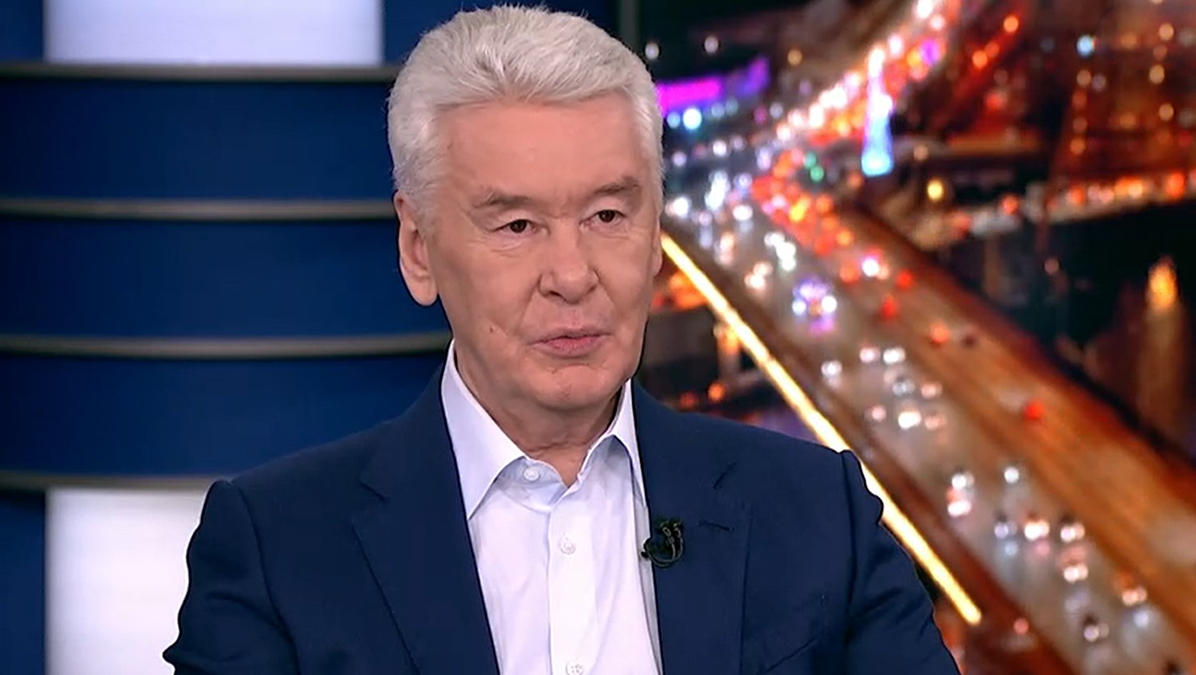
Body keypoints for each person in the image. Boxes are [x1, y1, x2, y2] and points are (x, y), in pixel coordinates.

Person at [165, 6, 960, 675]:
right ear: (418, 249)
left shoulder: (819, 514)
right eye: (517, 225)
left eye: (608, 216)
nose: (573, 275)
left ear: (655, 233)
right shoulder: (278, 552)